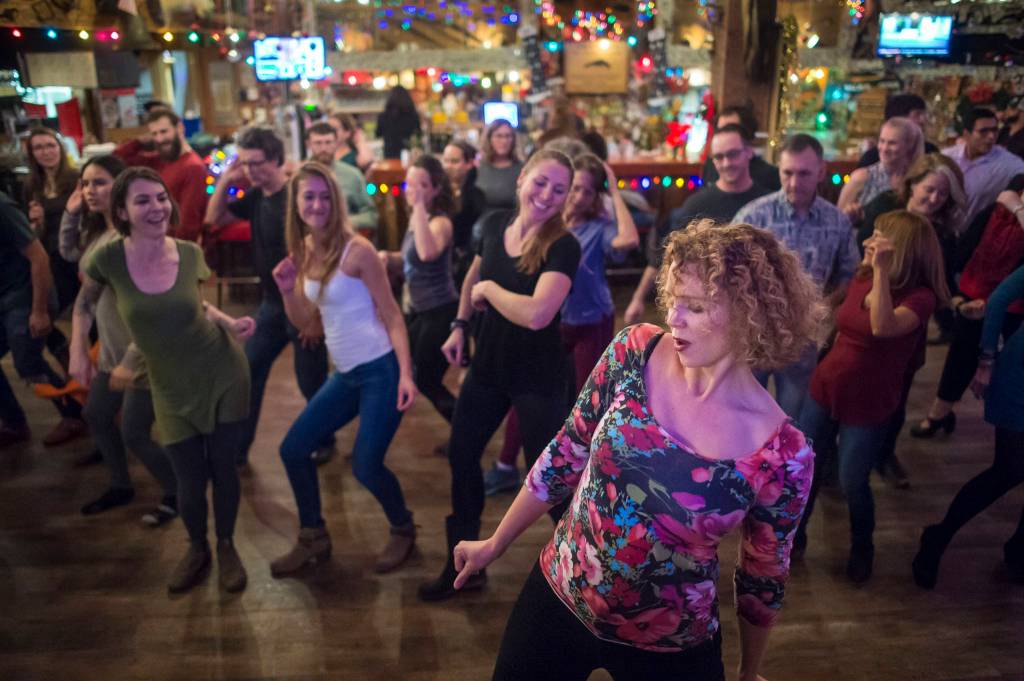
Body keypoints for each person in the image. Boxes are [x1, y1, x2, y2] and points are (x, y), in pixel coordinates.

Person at [451, 221, 822, 681]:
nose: (675, 318)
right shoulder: (635, 351)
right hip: (562, 594)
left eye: (697, 307)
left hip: (671, 644)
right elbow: (565, 454)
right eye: (675, 301)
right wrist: (495, 543)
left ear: (752, 313)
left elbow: (762, 578)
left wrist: (749, 672)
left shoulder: (784, 453)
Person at [73, 167, 254, 594]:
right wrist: (77, 349)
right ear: (122, 211)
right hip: (168, 384)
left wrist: (230, 323)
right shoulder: (109, 258)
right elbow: (83, 306)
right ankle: (197, 548)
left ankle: (227, 546)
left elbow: (197, 306)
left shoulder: (189, 253)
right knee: (189, 476)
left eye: (160, 198)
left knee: (223, 469)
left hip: (221, 372)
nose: (156, 208)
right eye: (142, 201)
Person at [418, 149, 582, 601]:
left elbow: (537, 314)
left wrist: (490, 290)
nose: (547, 194)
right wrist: (459, 324)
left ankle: (587, 569)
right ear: (521, 180)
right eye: (541, 182)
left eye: (559, 189)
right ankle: (465, 566)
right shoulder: (493, 225)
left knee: (551, 478)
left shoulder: (563, 244)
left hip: (539, 376)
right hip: (488, 367)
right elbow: (475, 272)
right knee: (462, 456)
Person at [268, 162, 418, 576]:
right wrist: (286, 291)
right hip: (346, 373)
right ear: (296, 204)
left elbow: (392, 315)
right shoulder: (303, 250)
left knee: (366, 464)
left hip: (380, 369)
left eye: (324, 196)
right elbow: (305, 323)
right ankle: (313, 536)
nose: (317, 205)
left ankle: (403, 528)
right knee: (293, 450)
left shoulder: (359, 251)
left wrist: (406, 373)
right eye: (308, 197)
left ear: (335, 200)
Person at [796, 211, 948, 583]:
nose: (868, 242)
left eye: (879, 238)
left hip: (869, 401)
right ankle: (793, 540)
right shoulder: (861, 278)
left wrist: (880, 271)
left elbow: (883, 326)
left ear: (903, 251)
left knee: (852, 481)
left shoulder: (920, 298)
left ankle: (862, 547)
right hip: (826, 386)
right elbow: (840, 320)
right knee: (806, 470)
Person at [484, 154, 639, 496]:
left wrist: (614, 190)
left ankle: (584, 477)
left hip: (589, 322)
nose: (578, 197)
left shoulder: (595, 229)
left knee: (587, 399)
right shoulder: (542, 229)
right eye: (574, 189)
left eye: (587, 191)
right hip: (553, 325)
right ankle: (507, 465)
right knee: (528, 391)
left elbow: (628, 240)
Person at [60, 155, 179, 522]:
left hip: (140, 351)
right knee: (96, 414)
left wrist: (127, 359)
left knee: (134, 433)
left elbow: (159, 308)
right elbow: (70, 259)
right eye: (85, 183)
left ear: (121, 186)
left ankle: (178, 490)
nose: (89, 191)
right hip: (111, 347)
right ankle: (120, 484)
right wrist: (70, 213)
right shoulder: (99, 234)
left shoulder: (133, 239)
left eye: (99, 182)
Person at [206, 126, 334, 466]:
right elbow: (213, 218)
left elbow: (318, 256)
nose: (251, 171)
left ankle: (324, 439)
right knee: (249, 372)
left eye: (257, 163)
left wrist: (314, 316)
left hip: (303, 305)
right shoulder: (257, 196)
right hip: (272, 305)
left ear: (276, 159)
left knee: (311, 381)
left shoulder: (296, 199)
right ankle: (239, 449)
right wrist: (226, 179)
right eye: (245, 164)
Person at [854, 153, 966, 488]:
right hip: (867, 306)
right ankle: (839, 457)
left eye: (942, 195)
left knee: (897, 391)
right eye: (929, 190)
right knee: (853, 379)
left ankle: (883, 454)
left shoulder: (943, 232)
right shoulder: (885, 209)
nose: (934, 199)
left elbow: (944, 279)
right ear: (913, 185)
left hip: (911, 321)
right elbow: (860, 252)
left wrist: (956, 301)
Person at [912, 264, 1024, 589]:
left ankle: (1017, 550)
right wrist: (986, 360)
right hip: (1019, 377)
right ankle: (938, 536)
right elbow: (1000, 298)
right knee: (1009, 469)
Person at [734, 134, 860, 418]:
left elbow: (850, 273)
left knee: (791, 418)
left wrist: (824, 307)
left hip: (804, 334)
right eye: (787, 173)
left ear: (821, 172)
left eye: (803, 174)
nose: (793, 183)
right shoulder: (754, 215)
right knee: (745, 414)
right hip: (756, 332)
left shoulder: (836, 221)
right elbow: (726, 271)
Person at [625, 123, 773, 325]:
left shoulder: (769, 203)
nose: (726, 162)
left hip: (756, 312)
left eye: (733, 154)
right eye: (719, 157)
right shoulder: (697, 205)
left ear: (749, 152)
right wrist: (638, 298)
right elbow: (667, 255)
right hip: (707, 314)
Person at [911, 184, 1024, 439]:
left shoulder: (1012, 205)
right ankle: (940, 413)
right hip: (976, 289)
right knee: (960, 353)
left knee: (1005, 364)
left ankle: (1005, 429)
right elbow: (967, 245)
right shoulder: (1000, 205)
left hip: (1014, 302)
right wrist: (959, 295)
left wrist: (1018, 210)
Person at [0, 190, 85, 448]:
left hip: (25, 293)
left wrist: (39, 311)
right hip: (5, 293)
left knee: (27, 361)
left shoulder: (3, 207)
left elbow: (39, 258)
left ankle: (73, 415)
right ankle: (14, 423)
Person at [379, 154, 458, 428]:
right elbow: (410, 259)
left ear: (436, 189)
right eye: (410, 184)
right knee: (405, 368)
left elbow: (426, 253)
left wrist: (420, 208)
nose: (413, 190)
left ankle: (464, 430)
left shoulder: (440, 222)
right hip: (421, 311)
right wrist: (388, 257)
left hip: (440, 310)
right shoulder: (417, 219)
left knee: (427, 378)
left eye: (422, 185)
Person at [22, 127, 79, 371]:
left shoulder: (76, 179)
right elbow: (32, 235)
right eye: (39, 147)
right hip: (50, 258)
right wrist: (35, 222)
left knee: (92, 316)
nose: (46, 152)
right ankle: (68, 360)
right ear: (32, 154)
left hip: (77, 253)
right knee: (42, 316)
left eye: (50, 145)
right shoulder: (31, 186)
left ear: (60, 148)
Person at [113, 108, 209, 242]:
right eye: (154, 133)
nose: (159, 139)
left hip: (171, 247)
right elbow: (117, 158)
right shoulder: (159, 160)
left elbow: (188, 224)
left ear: (180, 128)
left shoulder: (193, 167)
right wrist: (140, 142)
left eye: (164, 131)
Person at [943, 107, 1024, 228]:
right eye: (983, 131)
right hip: (940, 229)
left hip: (971, 235)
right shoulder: (947, 156)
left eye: (995, 130)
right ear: (966, 134)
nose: (991, 136)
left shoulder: (1009, 163)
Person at [838, 117, 924, 221]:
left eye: (892, 143)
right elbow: (837, 220)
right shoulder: (862, 177)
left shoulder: (919, 179)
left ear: (909, 145)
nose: (884, 148)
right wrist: (850, 215)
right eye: (882, 141)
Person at [305, 121, 378, 231]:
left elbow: (371, 215)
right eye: (318, 143)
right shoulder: (300, 175)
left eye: (328, 142)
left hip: (343, 236)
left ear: (336, 143)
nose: (324, 148)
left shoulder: (352, 175)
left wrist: (343, 221)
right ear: (308, 144)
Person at [699, 105, 781, 191]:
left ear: (748, 135)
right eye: (720, 131)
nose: (726, 164)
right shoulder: (711, 165)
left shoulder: (770, 176)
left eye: (730, 130)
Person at [441, 140, 486, 289]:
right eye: (446, 161)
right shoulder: (437, 192)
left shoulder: (476, 196)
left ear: (468, 164)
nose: (448, 166)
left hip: (463, 263)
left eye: (454, 161)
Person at [857, 93, 940, 168]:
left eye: (924, 114)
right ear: (899, 119)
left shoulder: (930, 151)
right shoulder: (872, 158)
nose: (923, 120)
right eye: (917, 114)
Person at [475, 119, 524, 214]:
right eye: (499, 136)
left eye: (508, 136)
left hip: (511, 222)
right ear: (489, 139)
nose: (504, 141)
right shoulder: (478, 167)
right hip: (480, 223)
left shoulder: (522, 169)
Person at [376, 86, 421, 160]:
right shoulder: (413, 115)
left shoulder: (384, 116)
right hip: (408, 151)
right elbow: (418, 133)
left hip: (389, 152)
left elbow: (378, 133)